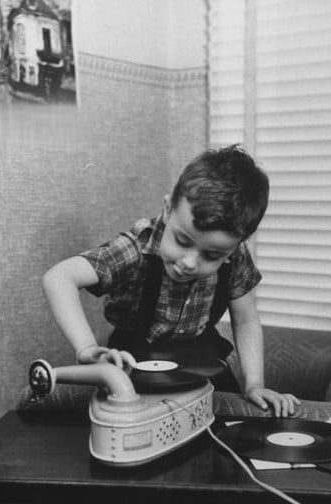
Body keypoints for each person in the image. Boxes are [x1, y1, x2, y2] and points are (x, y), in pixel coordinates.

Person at [42, 145, 299, 416]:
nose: (189, 262)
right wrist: (87, 349)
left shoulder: (235, 257)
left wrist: (254, 384)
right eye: (182, 240)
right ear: (167, 210)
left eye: (211, 255)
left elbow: (246, 319)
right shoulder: (136, 249)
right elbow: (59, 278)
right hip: (132, 366)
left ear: (235, 247)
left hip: (202, 363)